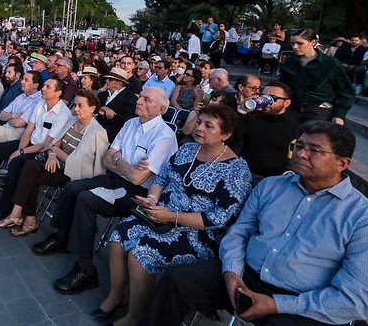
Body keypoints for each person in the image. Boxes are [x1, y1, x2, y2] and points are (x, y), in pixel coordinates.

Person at [140, 121, 368, 326]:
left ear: (343, 163)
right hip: (245, 275)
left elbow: (360, 298)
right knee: (177, 281)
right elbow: (240, 232)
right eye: (299, 146)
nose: (301, 154)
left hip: (301, 299)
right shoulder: (271, 186)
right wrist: (232, 272)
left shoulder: (365, 219)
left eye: (315, 150)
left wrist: (279, 304)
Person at [95, 105, 252, 324]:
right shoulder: (188, 149)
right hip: (160, 214)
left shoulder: (236, 170)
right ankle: (115, 296)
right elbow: (160, 180)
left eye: (209, 126)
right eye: (199, 122)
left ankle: (136, 315)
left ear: (226, 135)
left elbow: (219, 219)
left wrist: (171, 217)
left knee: (141, 254)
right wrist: (151, 199)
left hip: (197, 233)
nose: (200, 128)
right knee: (119, 236)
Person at [33, 88, 178, 295]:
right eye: (141, 96)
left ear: (161, 109)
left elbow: (137, 178)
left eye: (147, 100)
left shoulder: (164, 136)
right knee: (73, 186)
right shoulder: (130, 124)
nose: (140, 101)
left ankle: (86, 270)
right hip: (114, 178)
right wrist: (123, 163)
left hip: (136, 193)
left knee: (86, 199)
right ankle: (62, 236)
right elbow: (107, 160)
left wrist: (118, 160)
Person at [0, 90, 109, 236]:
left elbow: (73, 160)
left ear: (92, 108)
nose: (76, 109)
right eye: (75, 105)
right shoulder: (72, 122)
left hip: (75, 174)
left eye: (80, 106)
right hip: (57, 165)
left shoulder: (97, 132)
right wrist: (52, 154)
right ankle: (23, 217)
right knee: (30, 167)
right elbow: (53, 144)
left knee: (31, 171)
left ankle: (23, 217)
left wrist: (53, 150)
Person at [0, 78, 72, 210]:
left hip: (43, 151)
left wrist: (20, 153)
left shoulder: (63, 114)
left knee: (16, 163)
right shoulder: (41, 104)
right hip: (29, 144)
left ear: (58, 93)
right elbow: (29, 130)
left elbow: (47, 143)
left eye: (48, 87)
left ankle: (6, 209)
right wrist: (20, 150)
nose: (43, 88)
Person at [279, 28, 354, 124]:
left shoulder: (331, 64)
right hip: (292, 108)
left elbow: (346, 91)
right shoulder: (290, 62)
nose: (295, 47)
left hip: (319, 109)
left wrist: (339, 115)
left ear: (313, 42)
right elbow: (283, 85)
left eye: (300, 43)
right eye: (292, 43)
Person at [238, 81, 301, 183]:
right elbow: (232, 138)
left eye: (273, 98)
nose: (266, 100)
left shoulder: (295, 127)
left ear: (287, 103)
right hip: (243, 175)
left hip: (273, 181)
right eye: (263, 96)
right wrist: (242, 110)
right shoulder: (250, 118)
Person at [96, 67, 137, 141]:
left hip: (112, 137)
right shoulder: (102, 94)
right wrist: (103, 108)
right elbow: (93, 107)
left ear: (120, 82)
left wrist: (109, 115)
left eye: (110, 79)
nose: (107, 81)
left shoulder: (130, 98)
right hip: (94, 131)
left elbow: (127, 120)